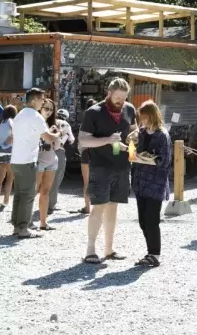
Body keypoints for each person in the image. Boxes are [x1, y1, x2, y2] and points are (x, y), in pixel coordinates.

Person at [80, 78, 136, 262]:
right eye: (118, 97)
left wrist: (134, 138)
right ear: (109, 93)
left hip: (122, 165)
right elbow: (83, 141)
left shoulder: (129, 109)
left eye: (124, 97)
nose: (121, 101)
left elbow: (134, 132)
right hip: (100, 165)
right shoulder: (93, 112)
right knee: (99, 206)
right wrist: (107, 140)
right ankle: (90, 249)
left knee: (113, 207)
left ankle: (109, 249)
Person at [11, 88, 58, 239]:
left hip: (16, 160)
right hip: (27, 160)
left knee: (19, 194)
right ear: (34, 100)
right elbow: (48, 138)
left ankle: (17, 226)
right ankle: (24, 228)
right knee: (28, 195)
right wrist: (57, 133)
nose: (43, 102)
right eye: (42, 99)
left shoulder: (19, 114)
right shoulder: (35, 116)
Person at [130, 100, 172, 268]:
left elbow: (164, 161)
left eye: (146, 117)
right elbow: (133, 154)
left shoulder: (162, 134)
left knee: (152, 220)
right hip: (140, 180)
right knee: (142, 220)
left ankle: (155, 253)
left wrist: (147, 158)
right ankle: (150, 252)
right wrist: (131, 146)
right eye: (142, 118)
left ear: (153, 116)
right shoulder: (141, 132)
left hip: (155, 181)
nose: (143, 121)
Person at [35, 98, 63, 231]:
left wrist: (55, 134)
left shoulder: (52, 125)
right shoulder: (37, 123)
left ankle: (43, 222)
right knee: (33, 191)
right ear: (40, 108)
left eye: (51, 109)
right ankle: (26, 221)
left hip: (51, 160)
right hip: (38, 160)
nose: (48, 112)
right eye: (46, 108)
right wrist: (53, 134)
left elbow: (56, 146)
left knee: (45, 192)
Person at [48, 108, 74, 214]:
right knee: (56, 178)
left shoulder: (50, 122)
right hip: (58, 152)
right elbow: (71, 140)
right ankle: (51, 205)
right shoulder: (65, 124)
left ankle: (43, 201)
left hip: (45, 152)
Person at [73, 97, 96, 215]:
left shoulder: (84, 124)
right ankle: (99, 208)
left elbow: (80, 142)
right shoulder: (101, 122)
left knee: (86, 182)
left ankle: (87, 207)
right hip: (99, 154)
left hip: (86, 153)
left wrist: (81, 151)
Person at [0, 105, 16, 210]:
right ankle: (6, 200)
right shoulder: (11, 122)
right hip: (8, 151)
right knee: (10, 176)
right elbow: (13, 136)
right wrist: (7, 144)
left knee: (0, 176)